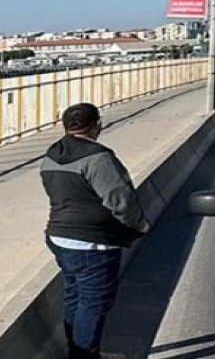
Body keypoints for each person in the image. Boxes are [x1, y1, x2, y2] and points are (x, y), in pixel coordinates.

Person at [41, 103, 148, 359]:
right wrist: (139, 224)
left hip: (59, 236)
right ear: (97, 125)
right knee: (94, 302)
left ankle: (78, 351)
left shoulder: (51, 154)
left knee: (75, 295)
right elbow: (118, 197)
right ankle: (86, 355)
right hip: (92, 241)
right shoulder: (98, 157)